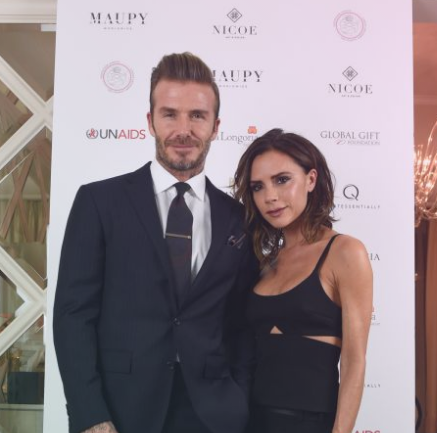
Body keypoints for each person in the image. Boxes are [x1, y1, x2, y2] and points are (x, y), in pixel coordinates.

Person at [53, 52, 259, 433]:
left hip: (213, 416)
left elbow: (242, 325)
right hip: (120, 413)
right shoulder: (99, 202)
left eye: (197, 116)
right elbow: (73, 317)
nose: (184, 129)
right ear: (150, 121)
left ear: (216, 126)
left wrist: (239, 400)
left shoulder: (239, 217)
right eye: (170, 114)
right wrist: (90, 414)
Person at [233, 128, 373, 433]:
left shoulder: (345, 252)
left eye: (282, 180)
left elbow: (354, 360)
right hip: (250, 419)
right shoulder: (265, 262)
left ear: (311, 180)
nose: (270, 196)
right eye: (258, 187)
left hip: (309, 423)